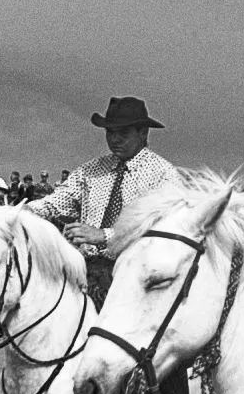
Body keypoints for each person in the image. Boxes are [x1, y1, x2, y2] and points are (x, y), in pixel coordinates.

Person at [29, 98, 187, 302]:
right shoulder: (91, 170)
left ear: (143, 133)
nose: (115, 139)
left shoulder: (163, 176)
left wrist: (104, 236)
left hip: (133, 277)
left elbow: (164, 231)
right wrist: (23, 212)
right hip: (83, 270)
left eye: (123, 133)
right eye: (110, 132)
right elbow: (57, 201)